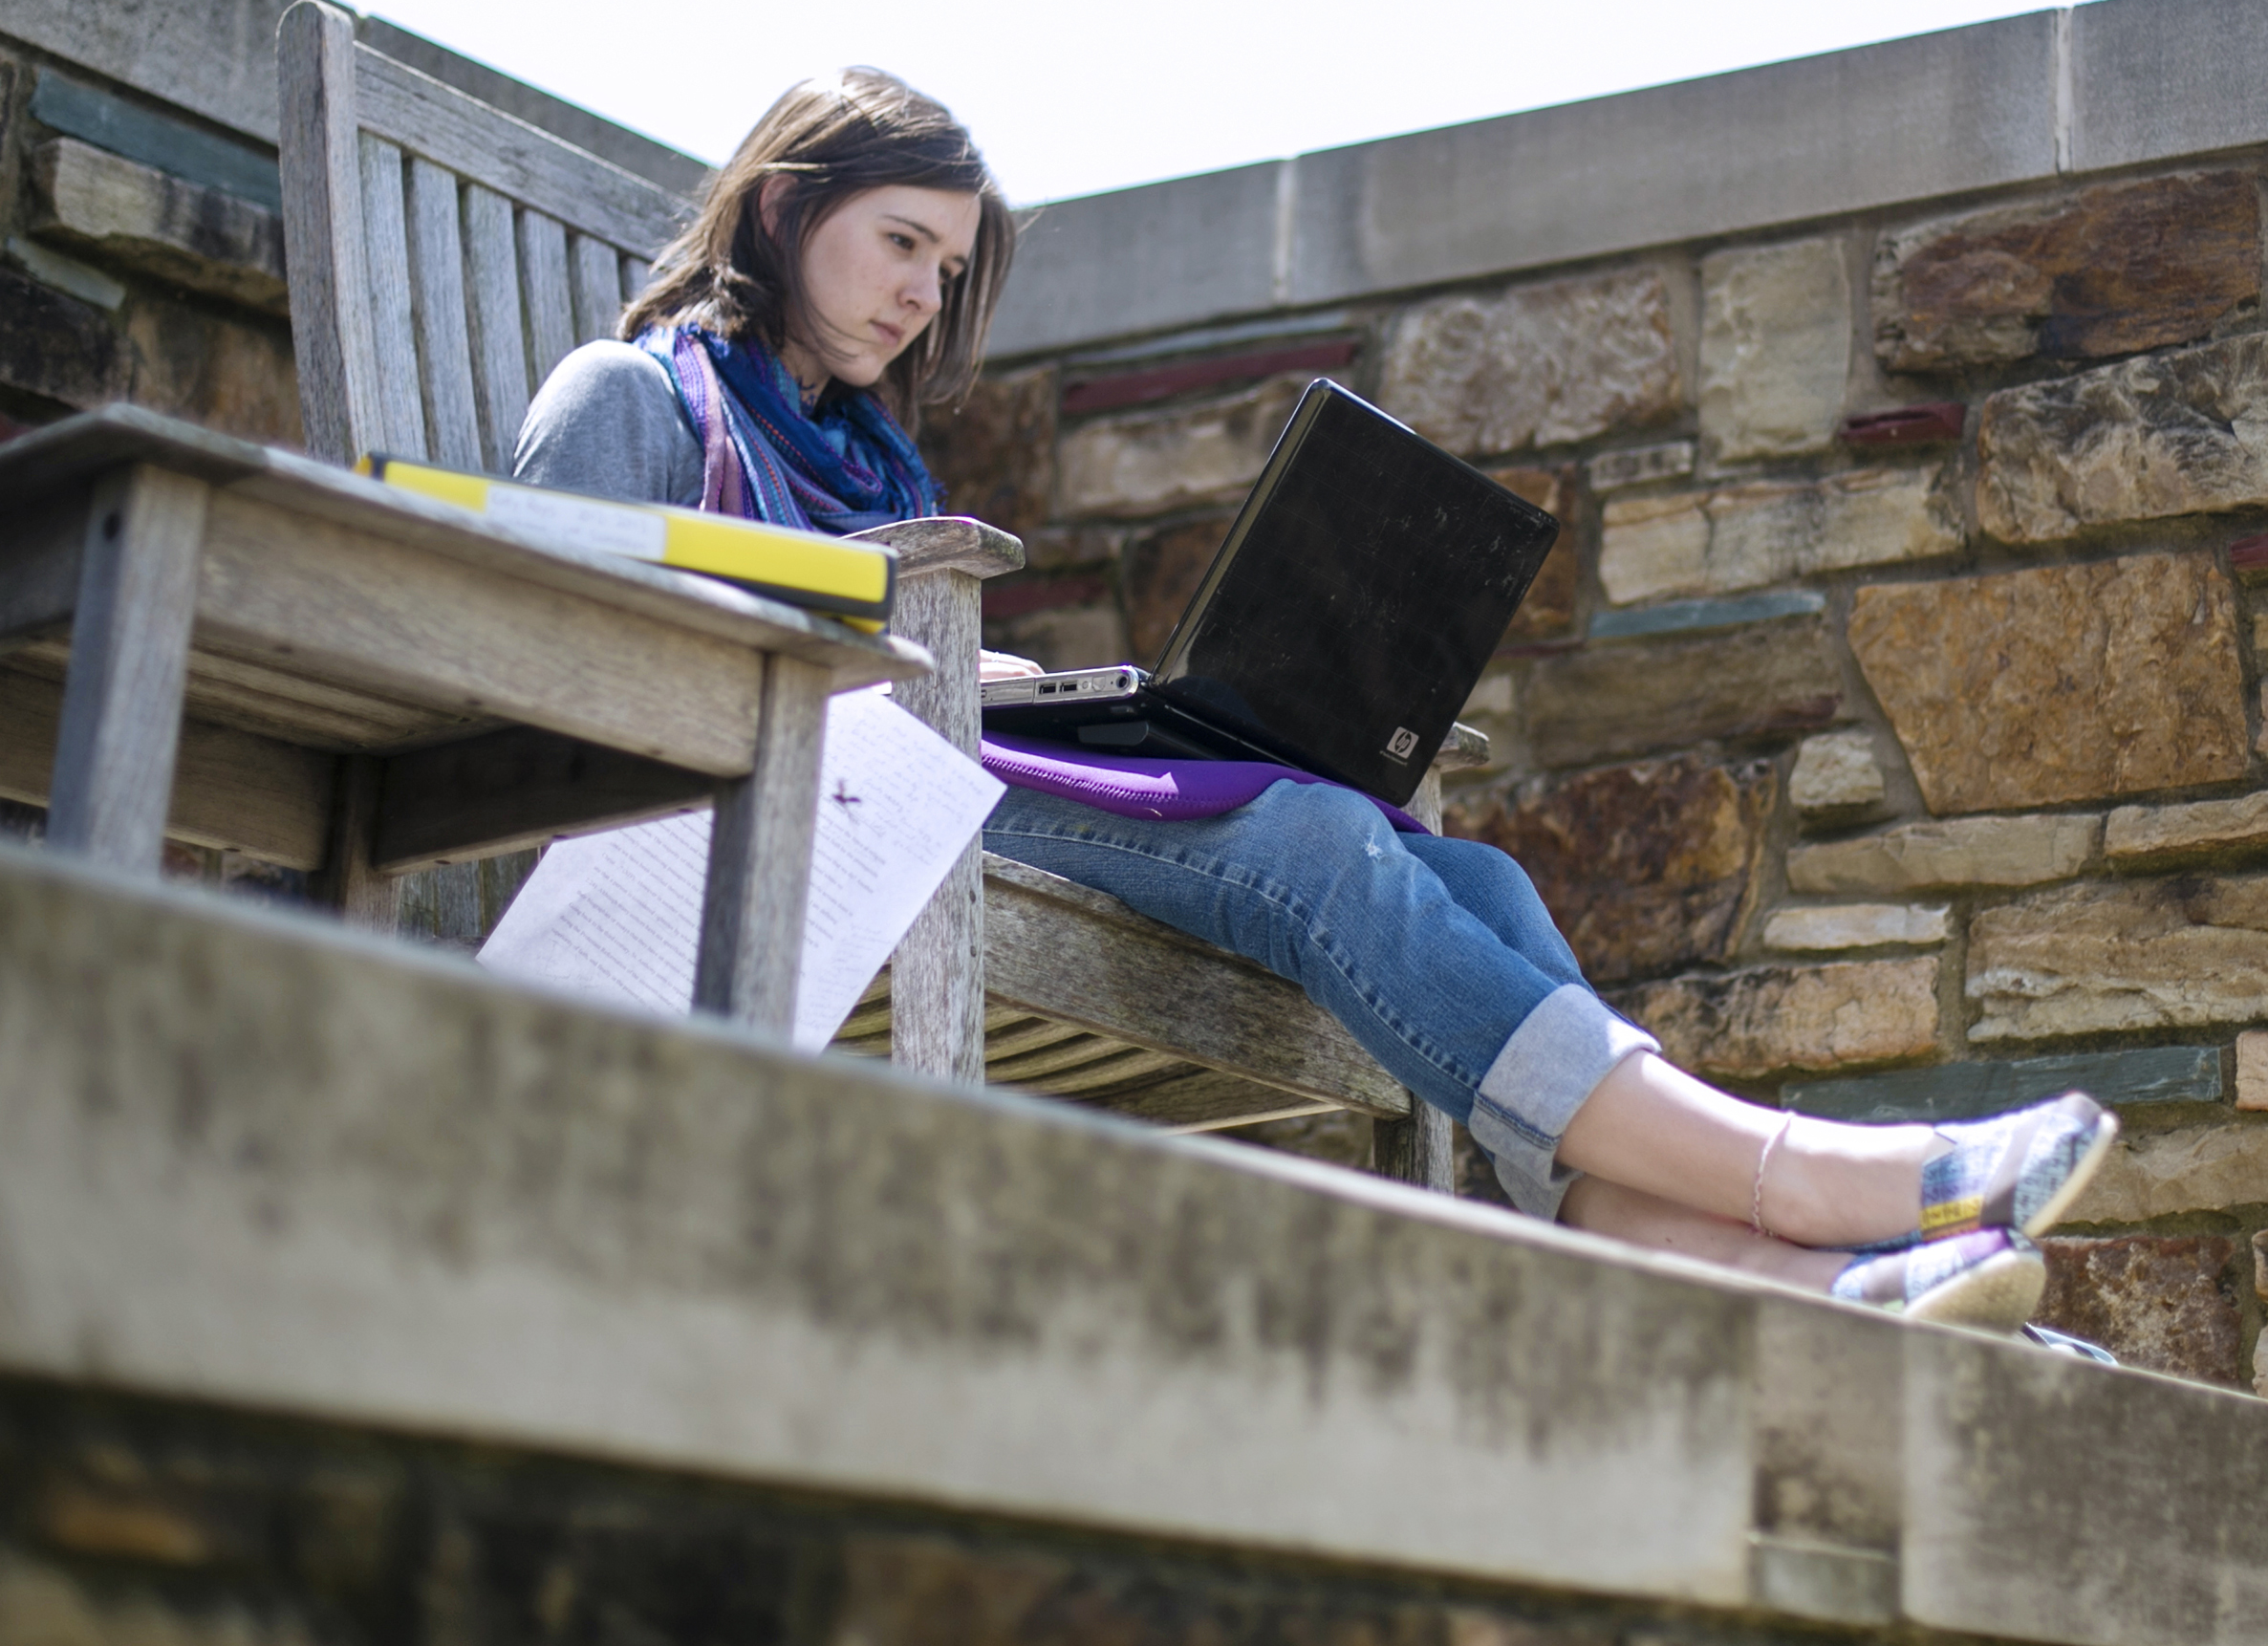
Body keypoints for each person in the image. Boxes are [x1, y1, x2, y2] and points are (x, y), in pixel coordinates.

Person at [513, 68, 2119, 1332]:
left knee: (1475, 871)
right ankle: (1816, 1195)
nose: (926, 295)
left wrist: (1004, 681)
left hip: (955, 790)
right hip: (812, 831)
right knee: (1312, 848)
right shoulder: (630, 396)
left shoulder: (868, 460)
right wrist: (901, 658)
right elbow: (567, 666)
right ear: (789, 208)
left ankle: (1782, 1283)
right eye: (901, 246)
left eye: (948, 264)